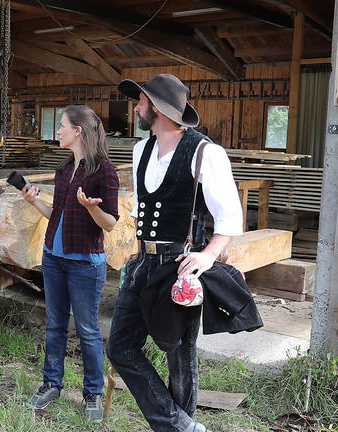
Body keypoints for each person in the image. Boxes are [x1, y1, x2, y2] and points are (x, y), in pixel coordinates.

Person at [106, 74, 243, 432]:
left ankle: (178, 426)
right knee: (120, 348)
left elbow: (230, 218)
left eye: (141, 102)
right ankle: (179, 426)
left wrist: (208, 256)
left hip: (179, 266)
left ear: (160, 109)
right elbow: (145, 206)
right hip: (143, 263)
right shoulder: (141, 150)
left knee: (179, 357)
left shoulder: (205, 153)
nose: (136, 107)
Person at [22, 105, 120, 423]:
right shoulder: (64, 169)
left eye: (62, 126)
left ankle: (91, 394)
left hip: (85, 264)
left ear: (78, 131)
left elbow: (109, 223)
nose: (58, 131)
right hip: (54, 258)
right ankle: (52, 384)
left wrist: (91, 207)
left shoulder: (104, 170)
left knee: (88, 330)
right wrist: (33, 199)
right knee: (55, 325)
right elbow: (57, 216)